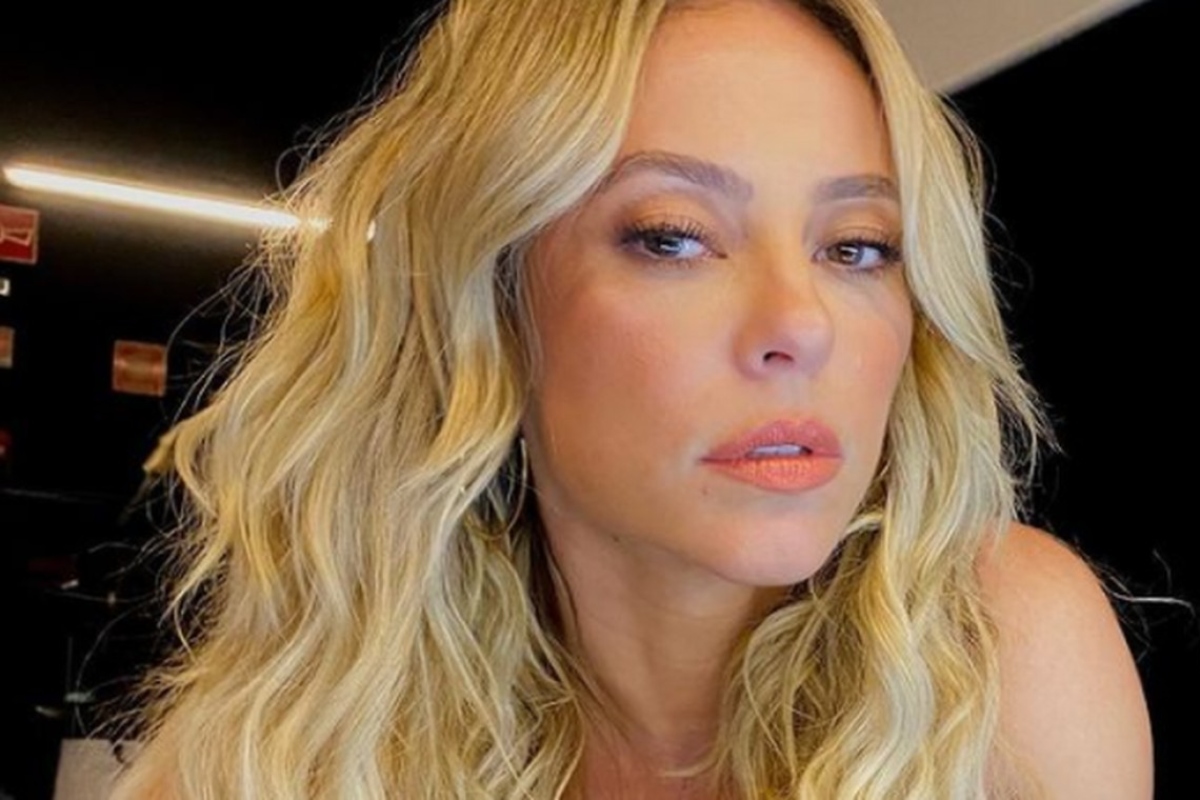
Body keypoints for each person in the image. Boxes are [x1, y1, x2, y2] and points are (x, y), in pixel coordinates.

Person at [108, 0, 1153, 797]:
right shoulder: (291, 731)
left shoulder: (1000, 653)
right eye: (674, 238)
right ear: (491, 301)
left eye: (857, 246)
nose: (802, 323)